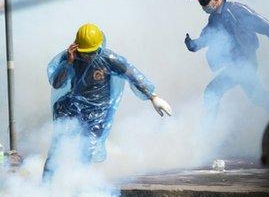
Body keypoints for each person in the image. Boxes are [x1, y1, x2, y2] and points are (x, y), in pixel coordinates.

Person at [43, 23, 172, 180]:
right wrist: (68, 63)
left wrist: (153, 97)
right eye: (83, 52)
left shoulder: (109, 59)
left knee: (86, 150)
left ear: (98, 47)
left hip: (97, 113)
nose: (86, 57)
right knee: (58, 146)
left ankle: (75, 186)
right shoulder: (71, 57)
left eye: (90, 53)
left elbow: (133, 75)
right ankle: (47, 185)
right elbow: (57, 83)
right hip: (72, 106)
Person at [185, 0, 269, 122]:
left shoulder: (237, 10)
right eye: (200, 2)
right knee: (257, 96)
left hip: (246, 62)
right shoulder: (214, 19)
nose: (203, 5)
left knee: (213, 92)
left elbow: (263, 24)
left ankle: (206, 131)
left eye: (204, 1)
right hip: (235, 64)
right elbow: (205, 39)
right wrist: (192, 45)